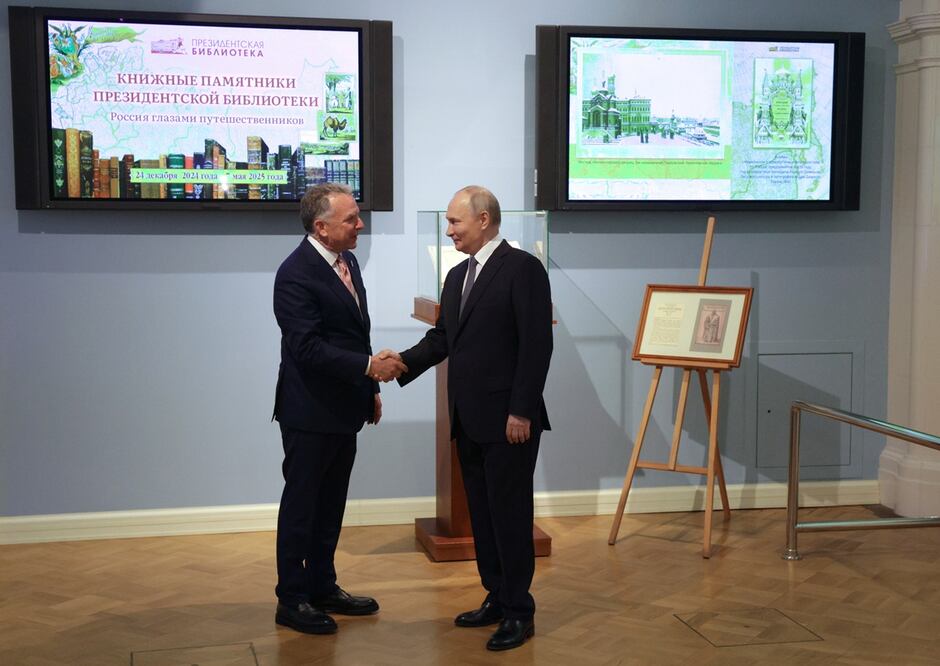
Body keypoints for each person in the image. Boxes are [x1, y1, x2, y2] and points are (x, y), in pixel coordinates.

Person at [394, 185, 553, 651]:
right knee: (482, 517)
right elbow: (443, 340)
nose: (449, 231)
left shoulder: (523, 269)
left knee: (510, 515)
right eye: (446, 223)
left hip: (509, 421)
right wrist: (399, 363)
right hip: (468, 418)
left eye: (455, 222)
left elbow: (537, 346)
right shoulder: (457, 275)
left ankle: (520, 612)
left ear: (483, 219)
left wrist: (521, 409)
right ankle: (497, 597)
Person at [271, 183, 407, 635]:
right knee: (302, 505)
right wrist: (371, 368)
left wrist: (368, 388)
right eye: (351, 219)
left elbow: (352, 335)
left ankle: (322, 585)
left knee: (330, 505)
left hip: (344, 406)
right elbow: (307, 349)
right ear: (321, 227)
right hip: (308, 412)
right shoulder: (294, 274)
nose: (360, 225)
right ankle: (291, 598)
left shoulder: (345, 261)